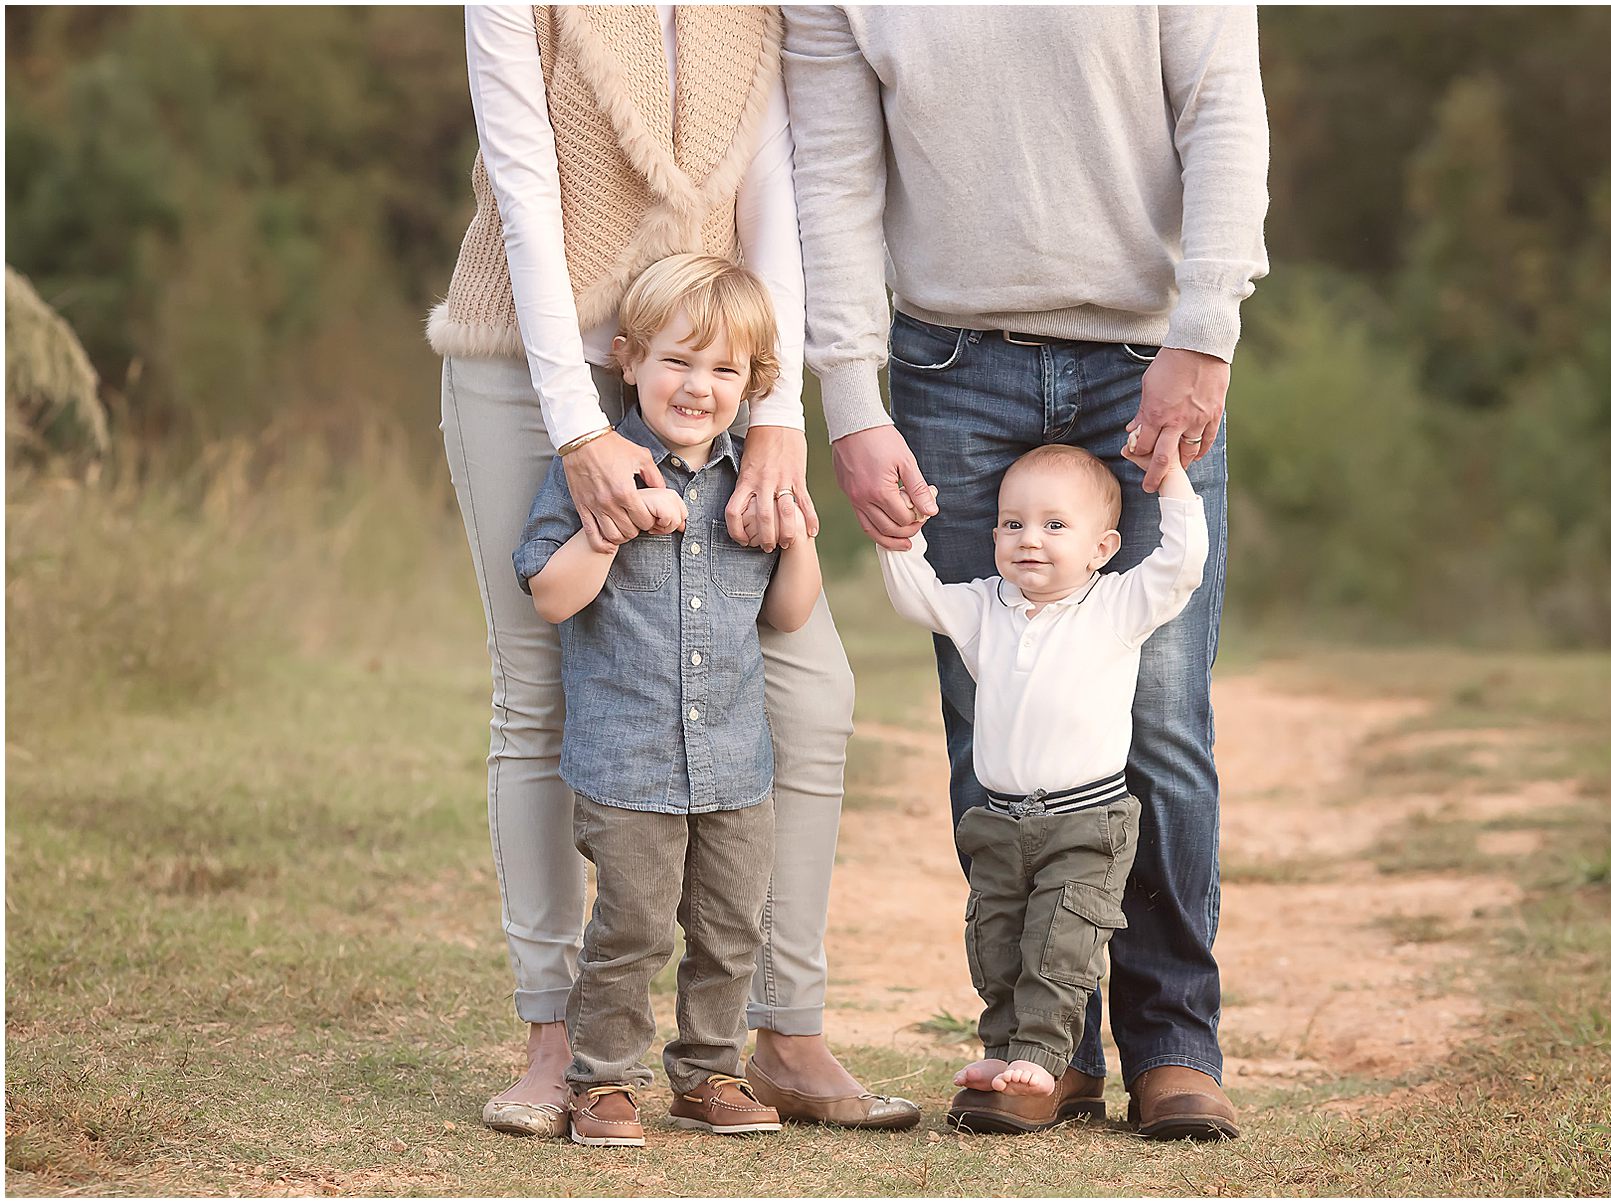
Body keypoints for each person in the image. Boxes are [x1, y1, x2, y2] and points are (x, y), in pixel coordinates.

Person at [782, 6, 1269, 1139]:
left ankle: (1172, 1047)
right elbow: (833, 182)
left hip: (1149, 353)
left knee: (1158, 718)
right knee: (992, 722)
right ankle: (1037, 1050)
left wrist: (1206, 333)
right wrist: (849, 401)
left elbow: (1224, 112)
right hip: (950, 367)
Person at [433, 5, 919, 1137]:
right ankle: (562, 1040)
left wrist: (779, 408)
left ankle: (780, 1030)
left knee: (811, 686)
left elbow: (778, 192)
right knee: (542, 693)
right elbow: (523, 187)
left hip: (712, 350)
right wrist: (579, 429)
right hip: (532, 352)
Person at [513, 255, 817, 1147]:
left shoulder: (751, 481)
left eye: (725, 370)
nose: (700, 386)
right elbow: (550, 595)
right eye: (680, 362)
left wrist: (797, 537)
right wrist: (610, 531)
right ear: (628, 359)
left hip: (734, 763)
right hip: (628, 761)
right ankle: (601, 1081)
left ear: (752, 385)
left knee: (730, 930)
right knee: (633, 928)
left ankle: (710, 1074)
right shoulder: (597, 476)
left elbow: (789, 616)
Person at [878, 441, 1209, 1134]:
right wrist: (899, 536)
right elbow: (917, 597)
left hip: (1087, 821)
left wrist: (1173, 478)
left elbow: (1181, 567)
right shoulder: (983, 607)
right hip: (999, 821)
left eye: (1055, 525)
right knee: (998, 942)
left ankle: (1043, 1058)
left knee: (1060, 945)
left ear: (1102, 546)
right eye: (1011, 523)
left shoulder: (1115, 604)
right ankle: (1004, 1051)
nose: (1029, 539)